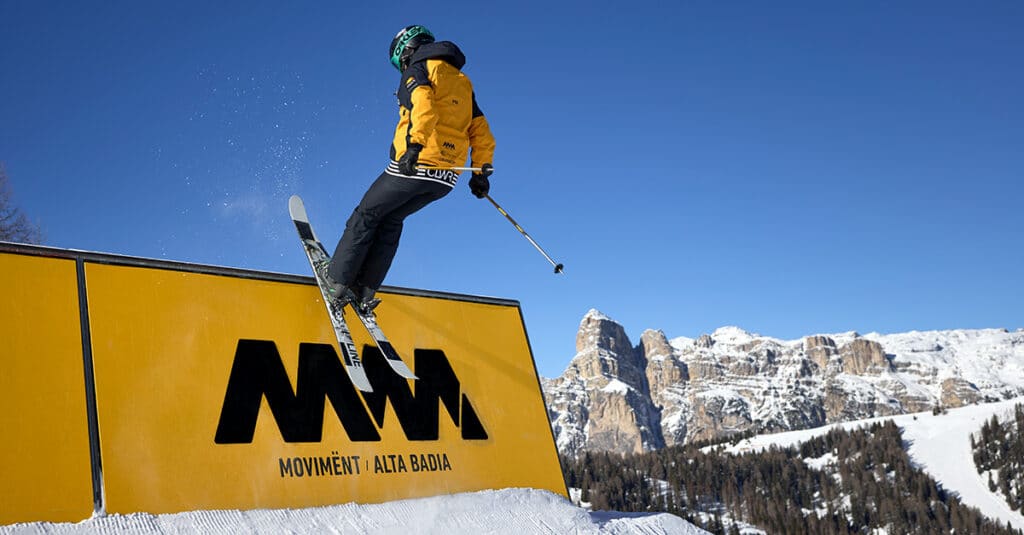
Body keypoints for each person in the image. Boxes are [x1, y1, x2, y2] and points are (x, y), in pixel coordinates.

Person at [322, 25, 495, 313]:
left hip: (416, 163)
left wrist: (415, 145)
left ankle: (337, 281)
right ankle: (365, 289)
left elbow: (423, 104)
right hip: (448, 177)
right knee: (391, 220)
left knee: (366, 214)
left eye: (399, 62)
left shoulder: (418, 69)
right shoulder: (463, 82)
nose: (401, 67)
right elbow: (481, 131)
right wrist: (479, 174)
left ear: (406, 51)